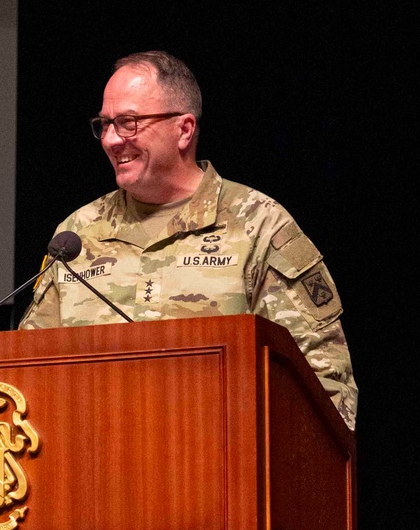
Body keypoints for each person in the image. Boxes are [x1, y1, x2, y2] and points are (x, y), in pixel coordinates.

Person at [20, 51, 357, 428]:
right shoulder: (77, 233)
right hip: (93, 466)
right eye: (105, 124)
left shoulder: (258, 224)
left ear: (184, 129)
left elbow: (324, 381)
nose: (112, 139)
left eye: (128, 123)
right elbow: (28, 370)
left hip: (219, 470)